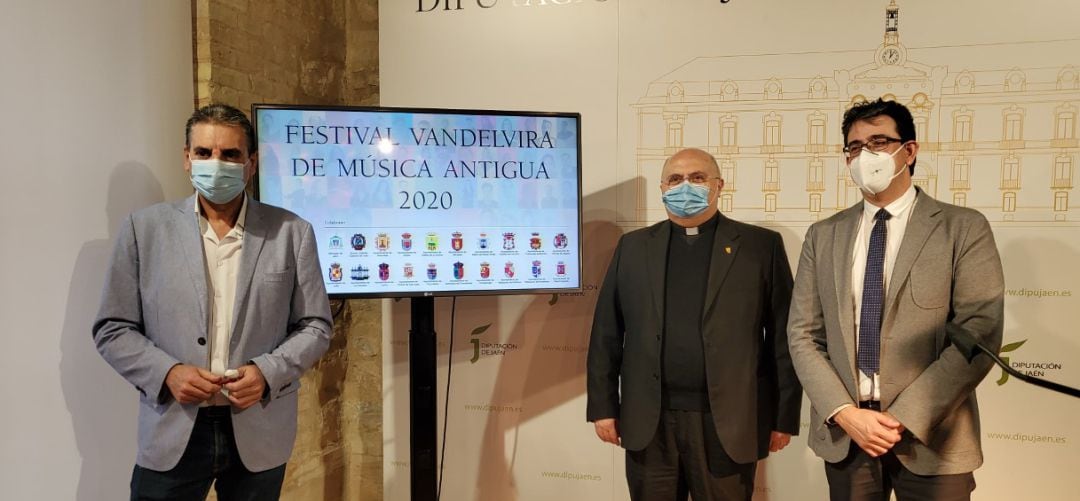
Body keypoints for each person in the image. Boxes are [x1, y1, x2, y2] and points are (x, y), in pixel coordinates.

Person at [93, 103, 333, 500]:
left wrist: (268, 371)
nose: (215, 163)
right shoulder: (143, 230)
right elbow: (112, 328)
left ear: (251, 163)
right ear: (186, 159)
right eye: (204, 153)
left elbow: (316, 325)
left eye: (230, 154)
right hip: (173, 427)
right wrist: (168, 372)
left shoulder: (292, 232)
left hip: (259, 427)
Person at [787, 99, 1004, 500]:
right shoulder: (824, 235)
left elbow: (979, 332)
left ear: (910, 150)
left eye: (879, 142)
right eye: (854, 147)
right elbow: (803, 334)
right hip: (848, 436)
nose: (865, 155)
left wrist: (904, 416)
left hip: (935, 438)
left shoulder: (962, 228)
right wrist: (845, 413)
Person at [587, 148, 802, 500]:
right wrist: (603, 407)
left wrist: (783, 416)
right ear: (662, 187)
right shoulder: (633, 247)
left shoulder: (761, 246)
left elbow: (784, 338)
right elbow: (606, 333)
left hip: (729, 424)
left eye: (698, 177)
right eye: (675, 179)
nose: (685, 186)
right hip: (649, 423)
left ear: (719, 185)